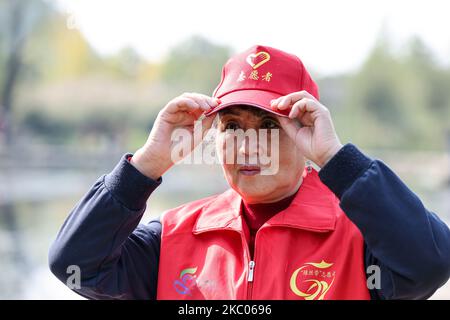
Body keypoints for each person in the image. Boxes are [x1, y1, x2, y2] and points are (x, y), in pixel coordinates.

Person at [49, 45, 450, 300]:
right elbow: (75, 267)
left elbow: (432, 264)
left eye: (271, 126)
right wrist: (147, 164)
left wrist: (336, 158)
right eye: (233, 126)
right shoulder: (170, 239)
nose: (248, 144)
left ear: (307, 134)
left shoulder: (361, 241)